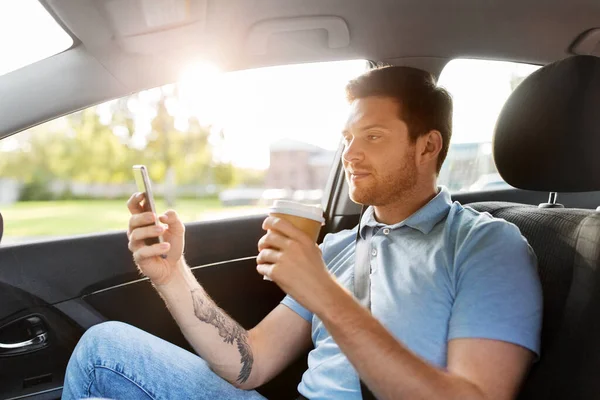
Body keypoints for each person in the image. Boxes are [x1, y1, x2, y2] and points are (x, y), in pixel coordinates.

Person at [62, 66, 542, 400]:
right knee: (104, 349)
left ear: (427, 146)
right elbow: (250, 364)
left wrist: (326, 295)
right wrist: (171, 275)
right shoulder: (336, 247)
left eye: (372, 136)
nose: (350, 153)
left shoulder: (485, 245)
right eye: (347, 138)